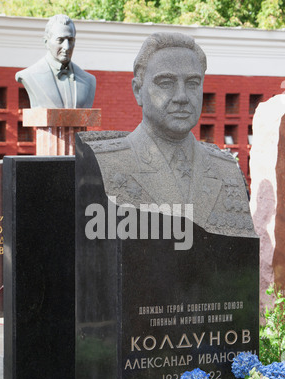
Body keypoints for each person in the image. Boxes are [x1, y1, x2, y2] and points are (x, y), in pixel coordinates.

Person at [87, 32, 255, 237]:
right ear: (138, 91)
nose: (182, 96)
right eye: (166, 83)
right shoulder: (104, 162)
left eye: (192, 83)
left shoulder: (226, 169)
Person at [15, 14, 96, 109]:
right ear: (46, 42)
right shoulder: (30, 75)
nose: (66, 47)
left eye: (70, 40)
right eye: (60, 40)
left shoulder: (88, 80)